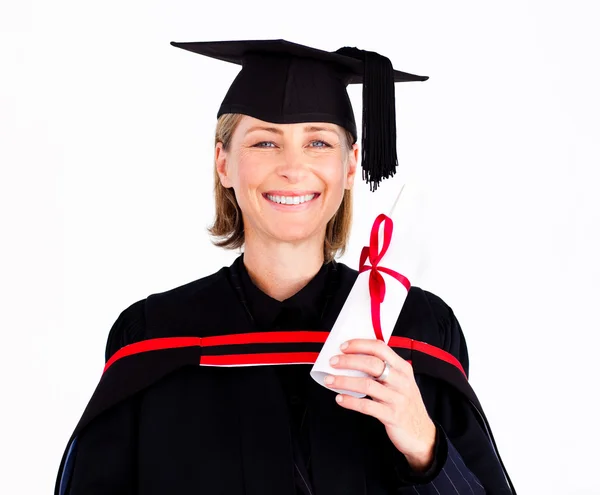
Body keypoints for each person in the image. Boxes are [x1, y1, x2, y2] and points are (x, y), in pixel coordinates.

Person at [55, 39, 516, 495]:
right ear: (223, 163)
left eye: (317, 141)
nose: (293, 167)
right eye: (264, 142)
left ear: (351, 165)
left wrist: (426, 448)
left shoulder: (414, 327)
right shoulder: (153, 336)